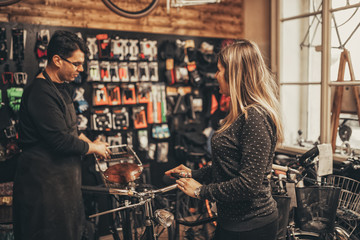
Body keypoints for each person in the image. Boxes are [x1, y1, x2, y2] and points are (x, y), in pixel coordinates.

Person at [165, 40, 283, 240]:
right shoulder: (240, 114)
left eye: (219, 71)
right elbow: (228, 167)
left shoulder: (255, 116)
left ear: (234, 75)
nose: (216, 76)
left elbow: (248, 185)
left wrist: (201, 191)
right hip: (232, 222)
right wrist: (193, 173)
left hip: (251, 227)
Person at [13, 30, 110, 240]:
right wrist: (93, 148)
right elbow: (60, 141)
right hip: (43, 188)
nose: (80, 69)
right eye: (76, 63)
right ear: (57, 60)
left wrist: (90, 143)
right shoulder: (40, 92)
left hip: (65, 186)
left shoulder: (62, 88)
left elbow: (70, 130)